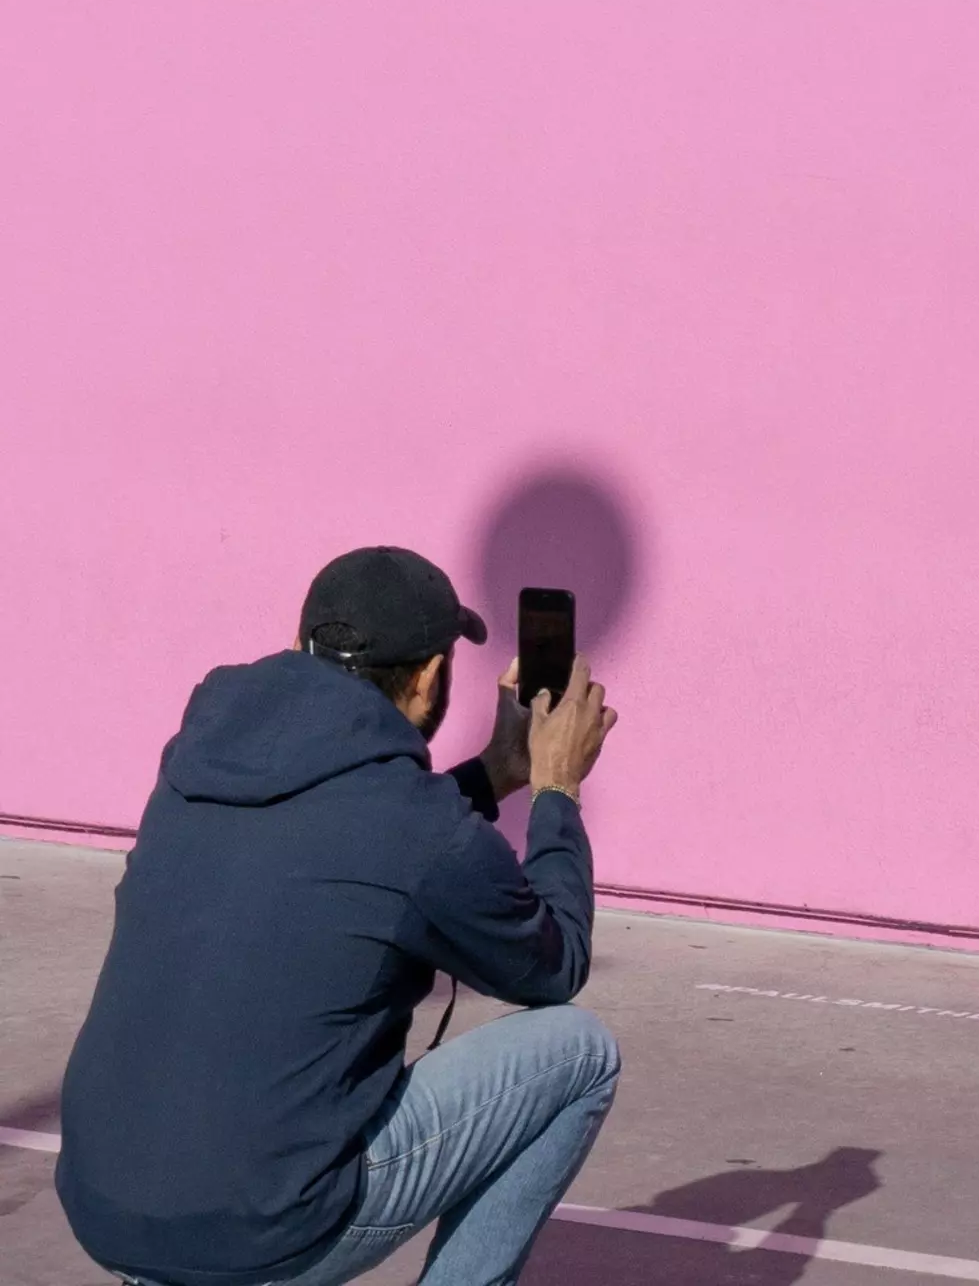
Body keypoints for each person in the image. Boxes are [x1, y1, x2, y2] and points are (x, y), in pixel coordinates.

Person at [56, 546, 621, 1286]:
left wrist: (495, 773)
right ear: (428, 679)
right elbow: (555, 965)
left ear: (300, 646)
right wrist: (556, 791)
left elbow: (356, 834)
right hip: (264, 1230)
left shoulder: (195, 764)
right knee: (576, 1051)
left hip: (106, 1206)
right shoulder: (418, 826)